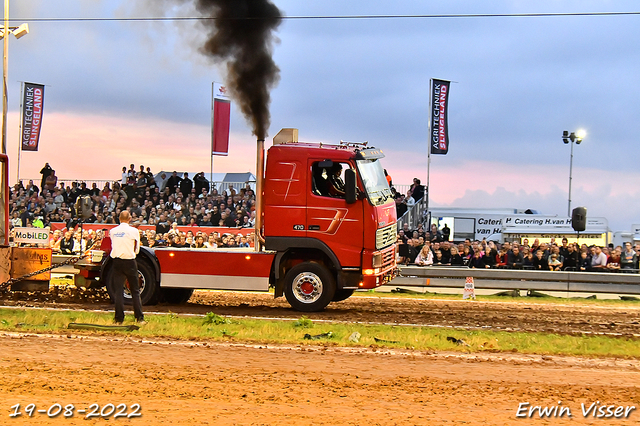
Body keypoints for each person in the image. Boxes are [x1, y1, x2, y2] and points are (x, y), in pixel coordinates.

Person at [109, 211, 145, 325]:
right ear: (129, 218)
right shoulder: (134, 231)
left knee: (118, 291)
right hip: (129, 261)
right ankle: (139, 318)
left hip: (117, 261)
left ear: (119, 219)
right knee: (135, 290)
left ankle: (119, 318)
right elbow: (137, 248)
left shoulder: (113, 231)